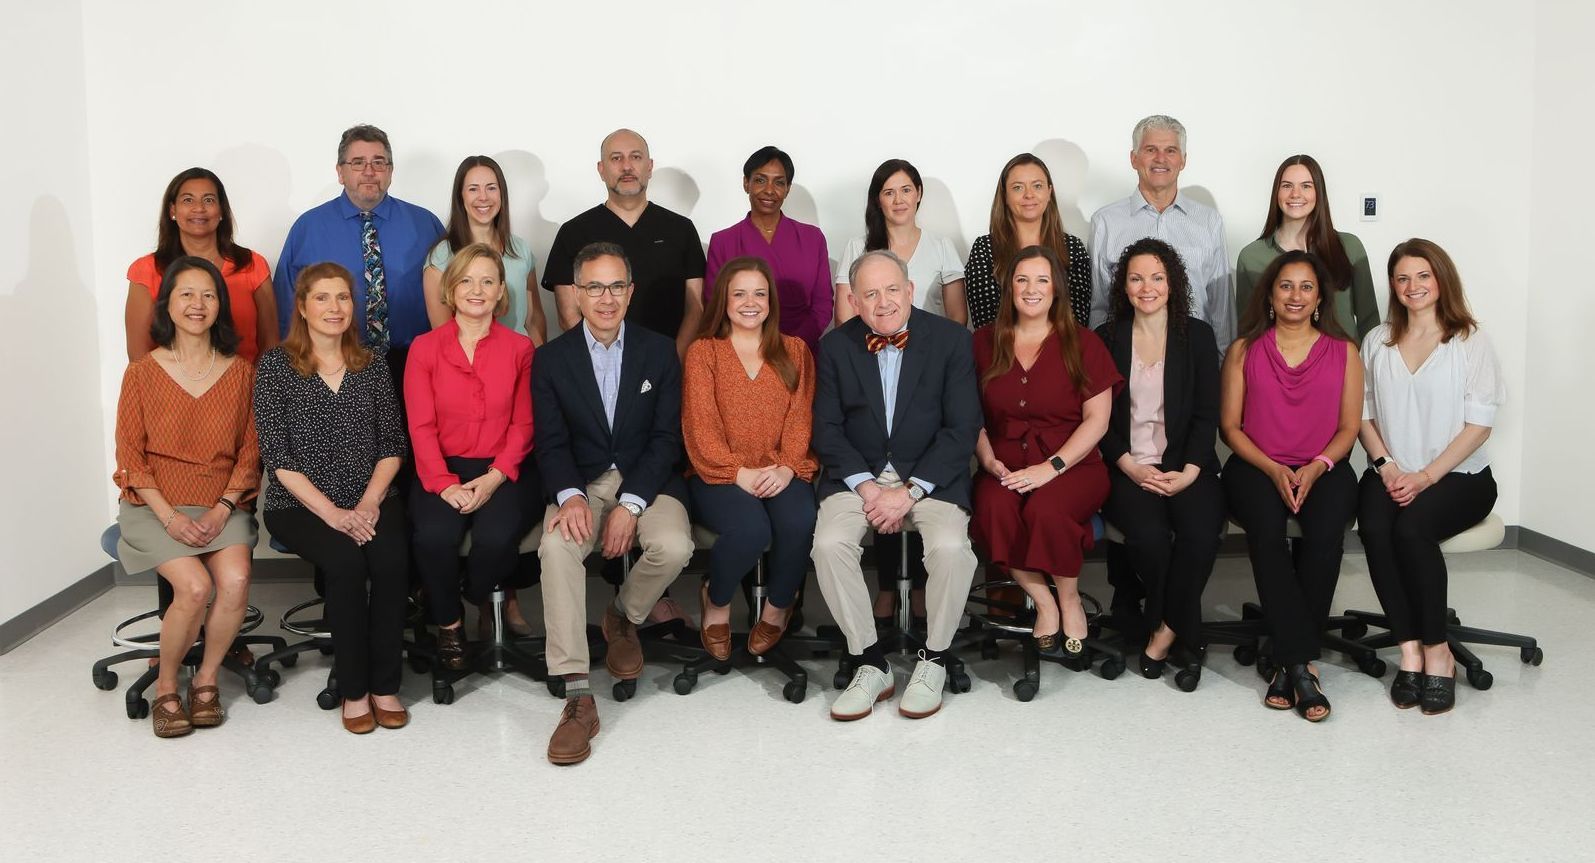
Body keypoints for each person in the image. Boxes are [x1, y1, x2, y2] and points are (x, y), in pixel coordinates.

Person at [534, 242, 694, 765]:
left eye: (616, 286)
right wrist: (571, 496)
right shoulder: (550, 360)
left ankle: (623, 615)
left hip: (647, 481)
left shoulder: (658, 349)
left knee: (673, 545)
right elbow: (551, 442)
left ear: (631, 291)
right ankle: (578, 693)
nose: (606, 298)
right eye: (594, 287)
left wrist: (630, 503)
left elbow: (666, 438)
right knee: (557, 548)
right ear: (576, 294)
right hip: (580, 482)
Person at [811, 249, 982, 722]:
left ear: (909, 291)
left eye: (892, 290)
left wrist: (908, 492)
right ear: (855, 300)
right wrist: (869, 489)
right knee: (828, 544)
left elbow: (961, 428)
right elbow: (827, 429)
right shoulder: (835, 346)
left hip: (930, 477)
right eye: (870, 293)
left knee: (951, 548)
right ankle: (869, 660)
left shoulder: (951, 341)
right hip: (858, 478)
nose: (883, 302)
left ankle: (934, 658)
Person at [255, 263, 410, 733]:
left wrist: (366, 505)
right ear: (302, 307)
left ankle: (386, 685)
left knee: (391, 563)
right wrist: (335, 515)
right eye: (322, 298)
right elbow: (277, 457)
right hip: (300, 506)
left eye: (343, 297)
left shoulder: (372, 364)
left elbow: (393, 445)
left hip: (371, 500)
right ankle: (355, 691)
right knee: (345, 565)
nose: (334, 308)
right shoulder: (275, 367)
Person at [113, 256, 260, 738]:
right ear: (167, 304)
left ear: (221, 305)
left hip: (222, 500)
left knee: (235, 581)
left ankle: (208, 681)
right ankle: (168, 687)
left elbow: (249, 451)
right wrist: (170, 516)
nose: (198, 305)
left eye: (209, 294)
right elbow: (131, 456)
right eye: (186, 294)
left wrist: (223, 507)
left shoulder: (240, 373)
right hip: (153, 506)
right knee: (195, 587)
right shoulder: (141, 372)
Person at [1358, 239, 1505, 715]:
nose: (1412, 286)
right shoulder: (1377, 341)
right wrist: (1387, 467)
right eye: (1402, 278)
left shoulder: (1468, 340)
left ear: (1441, 279)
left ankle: (1438, 653)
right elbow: (1362, 415)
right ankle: (1410, 651)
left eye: (1422, 275)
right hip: (1392, 470)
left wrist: (1424, 476)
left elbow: (1479, 425)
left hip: (1458, 477)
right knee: (1377, 528)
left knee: (1412, 528)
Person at [1220, 249, 1362, 723]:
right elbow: (1231, 428)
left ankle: (1289, 660)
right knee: (1266, 533)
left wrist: (1318, 466)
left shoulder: (1345, 352)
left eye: (1306, 287)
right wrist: (1274, 468)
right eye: (1286, 286)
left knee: (1325, 536)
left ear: (1320, 297)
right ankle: (1303, 662)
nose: (1295, 296)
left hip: (1325, 466)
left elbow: (1347, 429)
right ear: (1270, 294)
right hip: (1256, 466)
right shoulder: (1243, 350)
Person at [833, 158, 968, 630]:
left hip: (926, 370)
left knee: (944, 536)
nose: (898, 199)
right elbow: (845, 327)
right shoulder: (857, 254)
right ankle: (869, 645)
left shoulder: (940, 253)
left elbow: (955, 317)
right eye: (888, 191)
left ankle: (935, 643)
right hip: (869, 375)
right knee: (874, 440)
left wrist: (935, 361)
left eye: (906, 189)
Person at [971, 245, 1123, 666]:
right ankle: (1045, 601)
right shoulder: (983, 341)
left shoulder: (1084, 343)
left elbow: (1097, 420)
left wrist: (1049, 468)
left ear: (1056, 288)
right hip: (1001, 463)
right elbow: (968, 416)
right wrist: (987, 460)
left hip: (1073, 465)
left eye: (1042, 280)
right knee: (993, 510)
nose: (1031, 289)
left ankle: (1069, 599)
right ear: (1009, 288)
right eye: (1022, 280)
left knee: (1046, 512)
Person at [1094, 238, 1224, 679]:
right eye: (1135, 278)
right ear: (1123, 287)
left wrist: (1189, 472)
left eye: (1156, 277)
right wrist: (1129, 464)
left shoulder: (1198, 336)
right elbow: (1099, 421)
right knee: (1148, 538)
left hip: (1189, 464)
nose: (1146, 287)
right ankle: (1187, 628)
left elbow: (1209, 414)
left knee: (1200, 534)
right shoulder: (1106, 339)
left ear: (1172, 283)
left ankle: (1164, 630)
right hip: (1127, 467)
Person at [404, 244, 535, 672]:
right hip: (441, 467)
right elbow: (420, 427)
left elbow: (523, 425)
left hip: (502, 468)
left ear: (501, 292)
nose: (476, 290)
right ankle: (450, 624)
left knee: (496, 541)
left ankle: (459, 591)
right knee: (433, 538)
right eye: (466, 280)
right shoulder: (424, 349)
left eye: (487, 281)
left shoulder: (519, 348)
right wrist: (446, 485)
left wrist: (495, 477)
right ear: (450, 288)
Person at [684, 257, 818, 661]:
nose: (750, 302)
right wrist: (736, 472)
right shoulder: (704, 352)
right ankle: (718, 600)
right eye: (739, 293)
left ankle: (778, 608)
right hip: (718, 472)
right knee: (751, 531)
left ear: (771, 301)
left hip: (782, 467)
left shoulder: (794, 350)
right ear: (722, 299)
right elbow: (700, 425)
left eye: (759, 293)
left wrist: (785, 467)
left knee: (799, 521)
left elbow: (801, 418)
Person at [274, 124, 444, 368]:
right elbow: (285, 304)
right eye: (357, 162)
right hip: (331, 364)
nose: (369, 171)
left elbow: (452, 295)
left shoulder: (426, 225)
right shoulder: (308, 228)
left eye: (379, 162)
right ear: (340, 172)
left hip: (414, 363)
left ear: (390, 171)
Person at [542, 129, 706, 359]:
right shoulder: (573, 233)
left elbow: (696, 309)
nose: (627, 166)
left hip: (668, 370)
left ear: (649, 167)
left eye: (636, 157)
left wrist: (672, 364)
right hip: (598, 370)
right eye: (616, 158)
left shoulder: (681, 229)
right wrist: (603, 366)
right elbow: (568, 315)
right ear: (601, 169)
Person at [1088, 115, 1233, 356]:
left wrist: (1220, 368)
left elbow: (1222, 309)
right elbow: (1100, 307)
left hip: (1195, 357)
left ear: (1183, 160)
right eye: (1150, 149)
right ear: (1134, 158)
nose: (1160, 159)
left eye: (1171, 150)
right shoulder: (1105, 222)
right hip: (1127, 359)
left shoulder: (1209, 222)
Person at [125, 168, 277, 362]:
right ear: (172, 210)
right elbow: (139, 357)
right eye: (188, 200)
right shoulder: (147, 270)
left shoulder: (252, 265)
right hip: (169, 390)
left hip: (247, 388)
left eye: (209, 200)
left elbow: (270, 346)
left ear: (222, 210)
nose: (199, 208)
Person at [1236, 155, 1380, 342]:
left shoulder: (1350, 247)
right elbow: (1247, 330)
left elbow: (1369, 320)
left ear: (1318, 193)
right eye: (1287, 185)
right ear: (1276, 193)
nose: (1295, 194)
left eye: (1306, 186)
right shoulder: (1251, 256)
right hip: (1278, 368)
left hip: (1344, 367)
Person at [706, 146, 832, 353]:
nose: (769, 190)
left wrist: (792, 346)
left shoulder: (812, 238)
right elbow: (715, 304)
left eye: (779, 182)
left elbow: (823, 305)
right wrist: (752, 349)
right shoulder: (723, 241)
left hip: (801, 349)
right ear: (746, 183)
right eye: (760, 180)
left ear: (788, 188)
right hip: (742, 352)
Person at [424, 155, 549, 344]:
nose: (483, 197)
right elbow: (443, 336)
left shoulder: (520, 249)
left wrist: (540, 366)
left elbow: (533, 320)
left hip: (522, 364)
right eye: (473, 189)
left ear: (502, 194)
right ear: (461, 196)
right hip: (471, 369)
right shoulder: (441, 258)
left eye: (491, 188)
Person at [965, 153, 1091, 330]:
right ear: (1005, 196)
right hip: (1001, 352)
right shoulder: (985, 249)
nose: (1029, 195)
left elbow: (1077, 320)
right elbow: (985, 324)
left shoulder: (1073, 248)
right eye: (1017, 188)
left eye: (1037, 186)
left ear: (1049, 192)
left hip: (1062, 353)